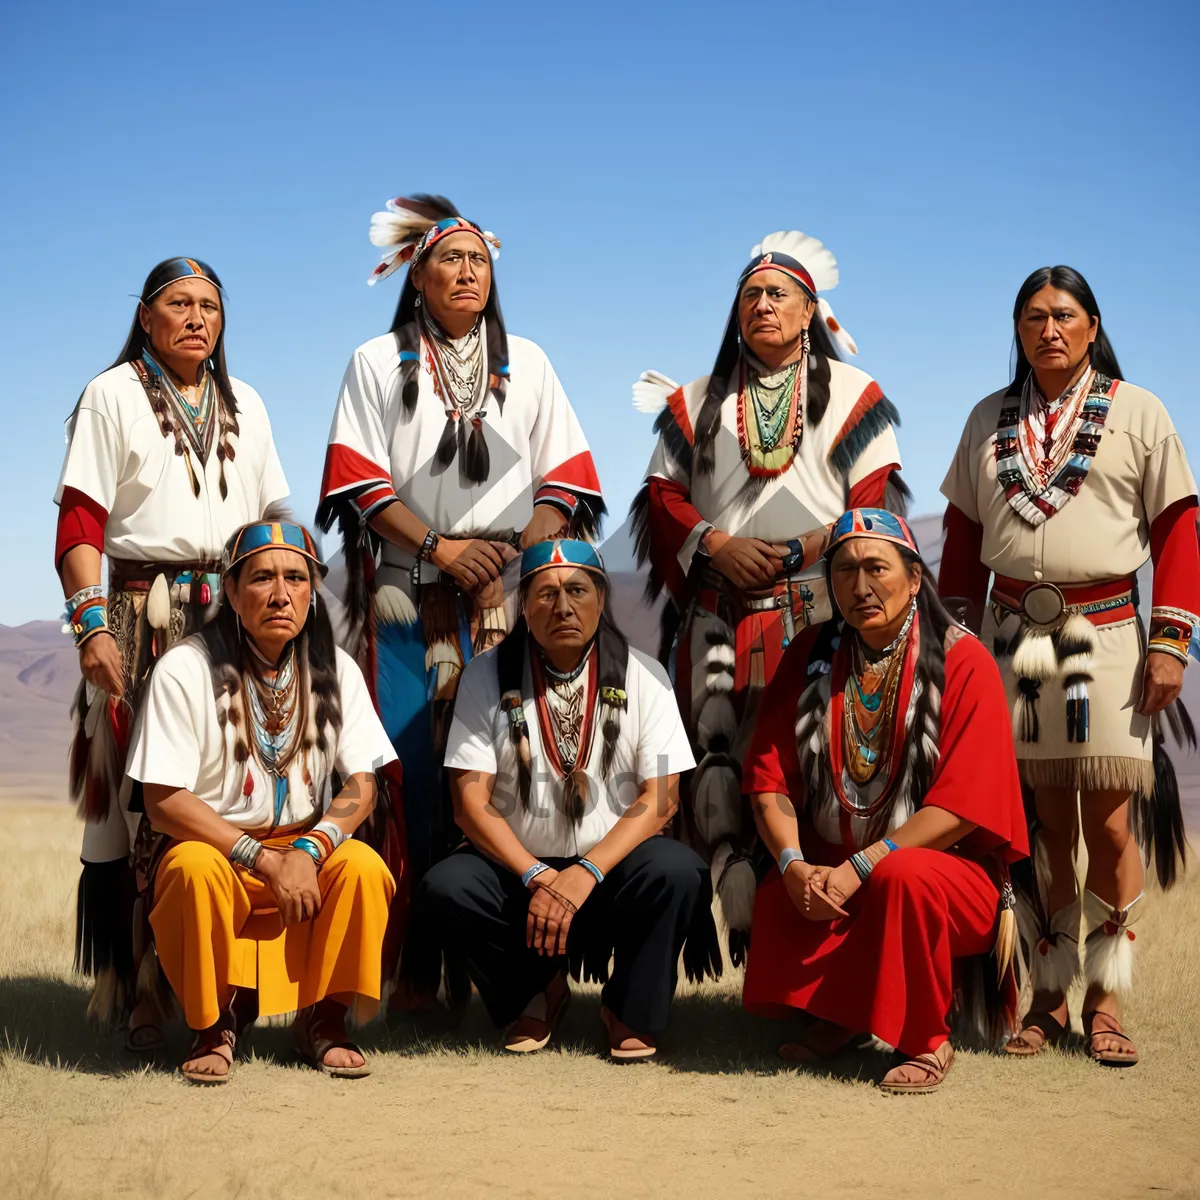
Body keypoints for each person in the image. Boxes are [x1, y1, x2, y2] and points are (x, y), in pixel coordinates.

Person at [939, 265, 1198, 1067]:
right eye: (1031, 317)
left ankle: (1107, 998)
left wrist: (1170, 643)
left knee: (1112, 823)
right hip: (1011, 638)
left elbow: (1179, 530)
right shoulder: (989, 418)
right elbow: (957, 539)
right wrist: (954, 642)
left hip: (1113, 633)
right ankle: (1049, 995)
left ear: (1092, 325)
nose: (1046, 329)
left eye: (1062, 315)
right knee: (1044, 826)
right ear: (1016, 331)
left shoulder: (1138, 412)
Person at [317, 195, 605, 901]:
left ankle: (508, 945)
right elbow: (358, 479)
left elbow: (566, 478)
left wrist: (516, 555)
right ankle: (414, 952)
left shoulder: (528, 363)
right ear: (418, 276)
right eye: (451, 259)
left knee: (511, 764)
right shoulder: (377, 360)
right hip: (407, 595)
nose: (468, 271)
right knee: (409, 766)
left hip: (507, 598)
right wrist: (443, 549)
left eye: (478, 259)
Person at [628, 231, 905, 959]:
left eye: (777, 293)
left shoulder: (855, 396)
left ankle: (823, 972)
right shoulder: (694, 403)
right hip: (720, 622)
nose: (761, 305)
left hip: (818, 619)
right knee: (721, 793)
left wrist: (799, 550)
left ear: (811, 310)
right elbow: (661, 499)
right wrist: (718, 546)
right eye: (749, 295)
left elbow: (875, 505)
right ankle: (755, 962)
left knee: (820, 789)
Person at [54, 257, 290, 1043]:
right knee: (139, 798)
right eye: (179, 304)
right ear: (148, 316)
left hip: (234, 614)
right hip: (137, 610)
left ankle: (223, 981)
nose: (197, 318)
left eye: (211, 307)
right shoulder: (111, 394)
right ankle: (145, 986)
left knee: (231, 788)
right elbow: (81, 522)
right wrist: (91, 626)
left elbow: (274, 515)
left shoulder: (246, 403)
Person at [741, 508, 1028, 1094]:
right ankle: (842, 1015)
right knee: (776, 894)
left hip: (949, 875)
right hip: (840, 862)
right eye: (843, 570)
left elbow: (962, 808)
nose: (859, 585)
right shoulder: (808, 655)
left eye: (876, 567)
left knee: (902, 879)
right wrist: (794, 864)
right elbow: (767, 779)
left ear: (916, 577)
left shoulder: (963, 660)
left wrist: (863, 865)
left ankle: (927, 1038)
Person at [408, 539, 717, 1059]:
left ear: (601, 598)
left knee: (678, 872)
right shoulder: (485, 675)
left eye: (577, 590)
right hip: (522, 875)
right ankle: (534, 993)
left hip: (611, 870)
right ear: (523, 606)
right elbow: (469, 801)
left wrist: (586, 872)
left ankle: (628, 1008)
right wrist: (536, 873)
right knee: (448, 885)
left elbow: (662, 799)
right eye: (545, 594)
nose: (563, 607)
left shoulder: (647, 675)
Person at [126, 521, 397, 1083]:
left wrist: (310, 848)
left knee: (365, 869)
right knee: (193, 871)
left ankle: (323, 1019)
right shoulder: (186, 668)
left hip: (302, 848)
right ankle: (214, 1026)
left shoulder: (336, 668)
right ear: (230, 591)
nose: (281, 594)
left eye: (297, 578)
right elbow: (163, 802)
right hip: (216, 848)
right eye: (263, 578)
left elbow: (362, 785)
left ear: (313, 590)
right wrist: (263, 858)